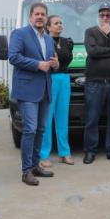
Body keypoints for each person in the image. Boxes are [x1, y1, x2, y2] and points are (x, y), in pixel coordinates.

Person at [9, 3, 57, 185]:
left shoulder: (49, 39)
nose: (40, 17)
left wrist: (56, 64)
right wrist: (37, 65)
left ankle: (36, 166)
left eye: (43, 14)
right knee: (29, 129)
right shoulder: (19, 34)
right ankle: (26, 171)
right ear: (30, 16)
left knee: (41, 129)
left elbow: (50, 62)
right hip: (27, 90)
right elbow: (14, 57)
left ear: (46, 18)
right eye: (37, 14)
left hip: (45, 89)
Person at [83, 3, 110, 164]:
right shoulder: (90, 32)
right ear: (98, 16)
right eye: (102, 15)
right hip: (95, 82)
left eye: (108, 15)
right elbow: (92, 52)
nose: (105, 17)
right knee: (92, 119)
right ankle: (90, 151)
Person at [39, 14, 74, 166]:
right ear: (48, 27)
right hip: (50, 79)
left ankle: (64, 153)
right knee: (47, 119)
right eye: (56, 23)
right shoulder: (44, 41)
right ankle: (44, 155)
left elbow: (67, 61)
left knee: (63, 117)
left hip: (64, 79)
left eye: (60, 23)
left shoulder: (67, 42)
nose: (59, 25)